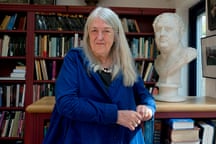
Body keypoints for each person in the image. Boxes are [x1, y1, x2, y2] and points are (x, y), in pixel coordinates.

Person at [43, 7, 156, 144]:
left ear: (116, 35)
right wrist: (115, 116)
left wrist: (148, 108)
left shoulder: (126, 61)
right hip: (84, 138)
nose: (99, 37)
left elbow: (144, 95)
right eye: (94, 30)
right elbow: (66, 103)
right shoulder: (75, 59)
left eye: (106, 31)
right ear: (88, 34)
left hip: (124, 138)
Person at [152, 13, 197, 102]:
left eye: (168, 29)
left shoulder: (188, 54)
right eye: (158, 29)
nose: (162, 34)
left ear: (180, 33)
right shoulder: (157, 61)